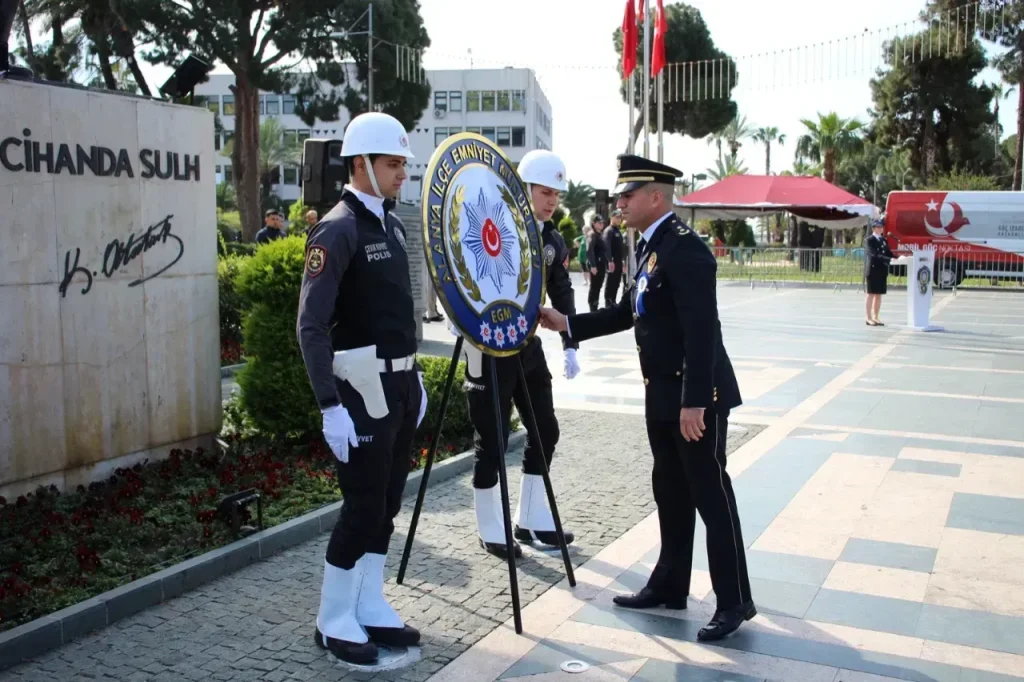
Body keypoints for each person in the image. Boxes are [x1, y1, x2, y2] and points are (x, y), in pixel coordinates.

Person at [538, 154, 756, 643]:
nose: (620, 202)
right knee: (670, 490)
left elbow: (704, 333)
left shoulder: (687, 251)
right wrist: (568, 322)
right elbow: (628, 313)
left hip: (692, 397)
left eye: (627, 194)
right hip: (661, 393)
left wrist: (696, 401)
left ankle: (735, 599)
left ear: (655, 196)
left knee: (710, 496)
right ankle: (670, 582)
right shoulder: (651, 247)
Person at [296, 112, 428, 665]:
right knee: (363, 505)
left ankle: (369, 603)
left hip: (397, 388)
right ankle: (333, 620)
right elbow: (310, 325)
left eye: (402, 163)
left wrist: (415, 376)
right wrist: (330, 405)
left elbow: (397, 314)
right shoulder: (337, 229)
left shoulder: (391, 225)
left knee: (388, 505)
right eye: (394, 164)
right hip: (359, 392)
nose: (403, 173)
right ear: (362, 165)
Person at [452, 149, 581, 560]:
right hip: (487, 345)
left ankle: (532, 519)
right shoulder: (496, 224)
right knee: (492, 439)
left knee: (546, 429)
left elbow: (561, 291)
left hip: (526, 345)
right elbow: (461, 265)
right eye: (545, 192)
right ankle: (490, 527)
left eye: (557, 195)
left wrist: (571, 341)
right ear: (523, 189)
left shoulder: (551, 239)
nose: (551, 201)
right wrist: (460, 313)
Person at [864, 218, 894, 326]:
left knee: (878, 294)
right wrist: (888, 259)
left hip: (881, 270)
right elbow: (873, 255)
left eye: (881, 227)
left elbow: (888, 252)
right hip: (873, 270)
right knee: (871, 294)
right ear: (873, 228)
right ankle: (868, 317)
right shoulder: (869, 240)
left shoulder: (883, 240)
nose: (880, 229)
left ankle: (876, 317)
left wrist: (897, 258)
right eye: (878, 227)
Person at [587, 214, 609, 312]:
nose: (601, 224)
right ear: (593, 223)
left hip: (601, 264)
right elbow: (589, 250)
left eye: (602, 223)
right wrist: (593, 265)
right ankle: (593, 307)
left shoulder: (599, 234)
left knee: (598, 286)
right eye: (599, 223)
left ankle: (595, 305)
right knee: (594, 287)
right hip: (596, 264)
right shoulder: (592, 234)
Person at [603, 209, 625, 308]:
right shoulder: (609, 230)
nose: (618, 219)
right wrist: (610, 261)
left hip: (619, 261)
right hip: (612, 261)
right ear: (611, 218)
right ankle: (608, 303)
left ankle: (613, 301)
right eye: (616, 217)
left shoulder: (618, 230)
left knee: (616, 282)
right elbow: (606, 246)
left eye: (620, 217)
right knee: (611, 282)